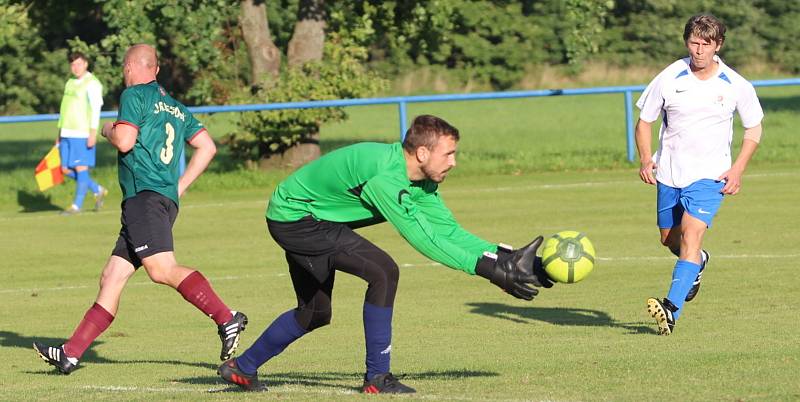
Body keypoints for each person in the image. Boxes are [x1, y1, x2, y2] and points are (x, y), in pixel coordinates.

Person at [217, 114, 553, 393]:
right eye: (448, 154)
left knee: (315, 313)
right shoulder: (386, 177)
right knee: (383, 271)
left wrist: (505, 259)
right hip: (297, 220)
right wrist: (489, 271)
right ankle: (377, 377)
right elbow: (423, 239)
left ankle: (242, 368)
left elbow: (446, 231)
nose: (454, 162)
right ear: (422, 153)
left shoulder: (420, 180)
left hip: (308, 217)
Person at [33, 44, 248, 374]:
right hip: (160, 200)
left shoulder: (134, 95)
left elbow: (124, 141)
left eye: (124, 69)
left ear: (129, 67)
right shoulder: (175, 107)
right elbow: (207, 146)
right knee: (112, 276)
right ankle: (71, 353)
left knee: (161, 269)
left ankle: (226, 316)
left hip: (144, 200)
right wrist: (180, 187)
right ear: (157, 70)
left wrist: (107, 128)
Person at [634, 14, 763, 335]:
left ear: (718, 45)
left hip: (710, 175)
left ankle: (671, 308)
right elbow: (644, 121)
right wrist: (646, 158)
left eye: (706, 44)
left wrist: (738, 169)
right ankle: (698, 262)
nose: (699, 50)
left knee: (691, 234)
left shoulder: (735, 84)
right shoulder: (669, 77)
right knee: (670, 239)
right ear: (686, 42)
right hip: (669, 173)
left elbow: (754, 127)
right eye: (694, 42)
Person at [57, 52, 108, 215]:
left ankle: (76, 206)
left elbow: (95, 110)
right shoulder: (70, 82)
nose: (75, 67)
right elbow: (64, 109)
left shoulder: (92, 83)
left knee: (81, 168)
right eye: (72, 64)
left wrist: (93, 132)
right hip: (66, 132)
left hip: (82, 133)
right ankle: (97, 189)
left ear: (86, 64)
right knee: (64, 169)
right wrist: (59, 133)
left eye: (78, 64)